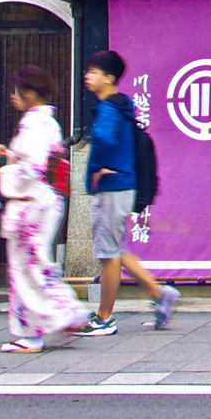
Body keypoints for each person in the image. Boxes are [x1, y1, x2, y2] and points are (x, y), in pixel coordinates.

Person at [68, 50, 179, 337]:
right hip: (123, 186)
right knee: (115, 249)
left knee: (108, 254)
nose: (87, 76)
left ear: (109, 78)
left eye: (93, 72)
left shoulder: (108, 109)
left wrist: (99, 169)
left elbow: (104, 140)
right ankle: (159, 293)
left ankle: (104, 317)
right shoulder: (122, 107)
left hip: (112, 188)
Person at [0, 66, 89, 353]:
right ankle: (61, 312)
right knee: (36, 265)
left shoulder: (33, 124)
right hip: (44, 201)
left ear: (29, 93)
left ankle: (43, 324)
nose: (14, 96)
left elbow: (30, 169)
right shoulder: (48, 123)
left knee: (26, 269)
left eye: (17, 91)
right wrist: (9, 155)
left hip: (30, 203)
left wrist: (0, 172)